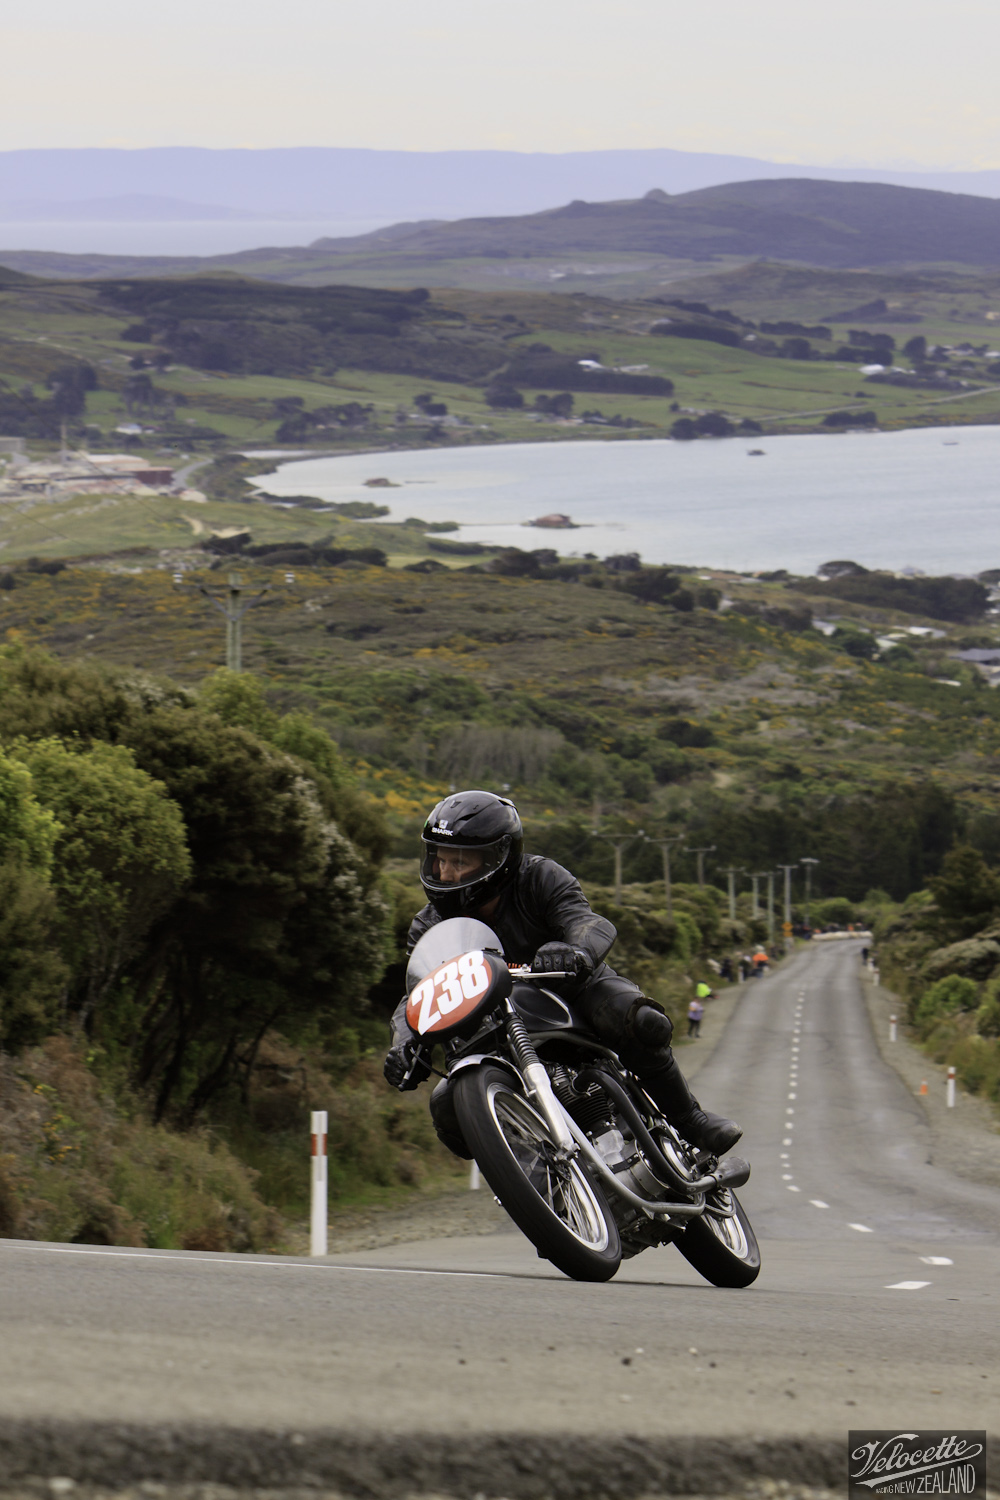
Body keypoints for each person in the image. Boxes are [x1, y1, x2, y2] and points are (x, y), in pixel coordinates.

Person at [384, 789, 741, 1157]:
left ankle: (691, 1120)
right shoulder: (429, 924)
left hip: (570, 990)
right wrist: (405, 1042)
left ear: (499, 857)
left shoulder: (540, 877)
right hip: (491, 1025)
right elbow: (417, 992)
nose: (445, 872)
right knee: (449, 1109)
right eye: (439, 859)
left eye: (459, 861)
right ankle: (537, 1182)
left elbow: (587, 922)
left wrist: (574, 950)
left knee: (642, 1021)